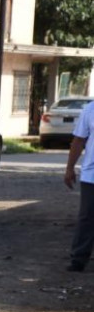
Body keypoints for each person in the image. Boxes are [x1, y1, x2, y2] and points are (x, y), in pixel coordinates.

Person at [63, 98, 94, 272]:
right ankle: (79, 258)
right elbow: (78, 141)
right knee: (87, 216)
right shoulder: (90, 109)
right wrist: (69, 168)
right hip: (91, 175)